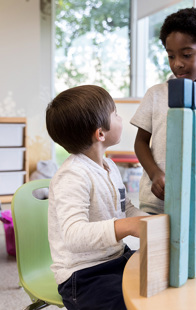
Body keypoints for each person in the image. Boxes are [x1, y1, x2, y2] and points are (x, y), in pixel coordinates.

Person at [46, 85, 148, 310]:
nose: (121, 119)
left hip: (116, 259)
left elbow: (125, 207)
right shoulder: (72, 175)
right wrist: (127, 226)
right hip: (83, 275)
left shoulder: (108, 165)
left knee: (161, 279)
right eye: (116, 114)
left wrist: (149, 221)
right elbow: (74, 235)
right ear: (100, 133)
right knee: (127, 303)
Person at [130, 8, 196, 214]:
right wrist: (155, 173)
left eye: (186, 55)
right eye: (171, 56)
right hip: (157, 204)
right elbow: (140, 142)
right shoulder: (156, 94)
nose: (177, 64)